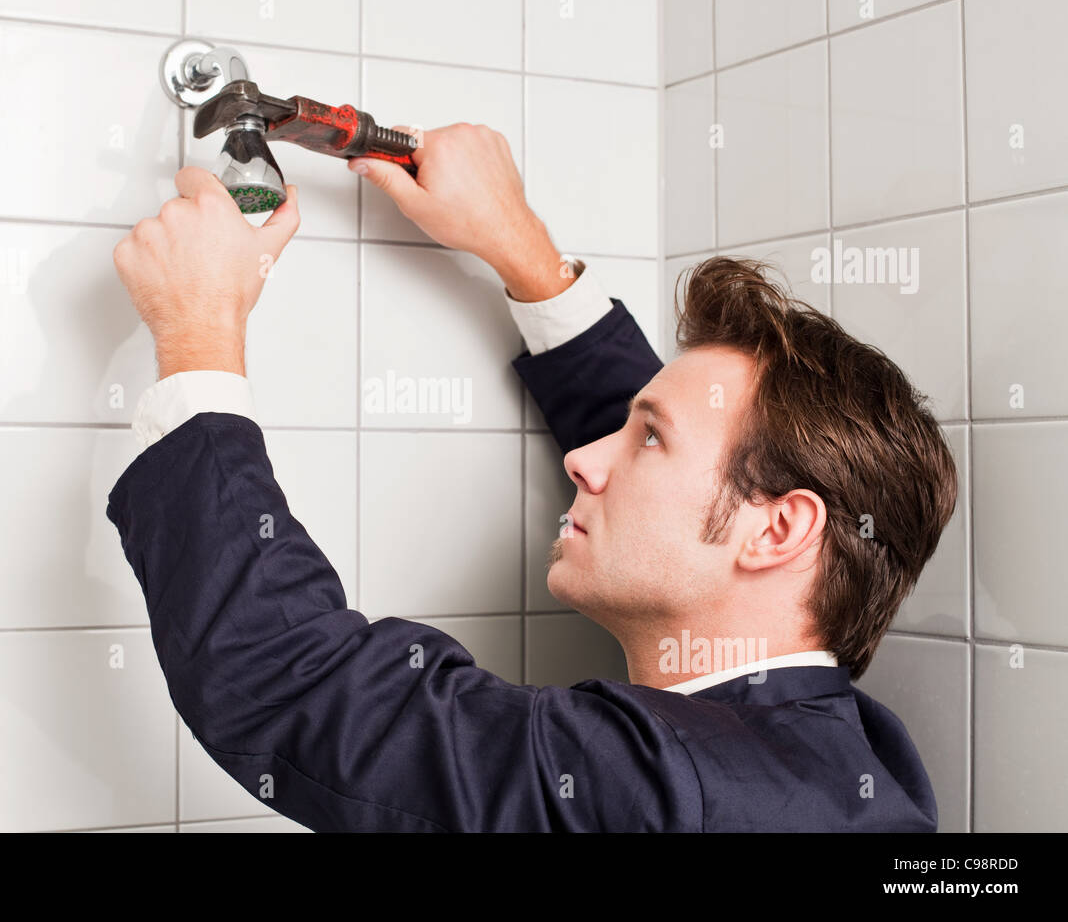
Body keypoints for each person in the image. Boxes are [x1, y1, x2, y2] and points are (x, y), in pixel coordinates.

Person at [107, 123, 956, 831]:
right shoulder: (851, 760)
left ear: (779, 530)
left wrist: (197, 330)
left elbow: (290, 683)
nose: (585, 460)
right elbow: (710, 477)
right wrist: (521, 248)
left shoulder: (656, 788)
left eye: (645, 438)